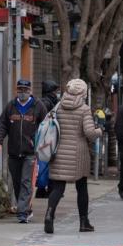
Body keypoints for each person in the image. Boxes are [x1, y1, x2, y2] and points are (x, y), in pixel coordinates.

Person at [44, 79, 103, 234]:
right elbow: (90, 133)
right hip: (78, 155)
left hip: (58, 152)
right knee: (81, 187)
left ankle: (49, 214)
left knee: (58, 187)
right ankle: (84, 222)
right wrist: (100, 131)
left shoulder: (58, 107)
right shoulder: (84, 109)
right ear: (83, 93)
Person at [0, 79, 47, 223]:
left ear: (30, 91)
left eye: (25, 90)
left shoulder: (38, 106)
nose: (22, 92)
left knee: (26, 182)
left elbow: (46, 125)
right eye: (20, 90)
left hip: (30, 152)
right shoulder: (11, 106)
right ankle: (26, 208)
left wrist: (42, 144)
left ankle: (22, 212)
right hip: (13, 152)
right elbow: (2, 125)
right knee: (17, 182)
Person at [36, 80, 61, 198]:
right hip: (47, 138)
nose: (57, 93)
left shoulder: (46, 101)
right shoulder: (47, 103)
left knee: (46, 163)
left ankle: (45, 189)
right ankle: (44, 189)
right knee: (46, 164)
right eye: (55, 91)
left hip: (46, 137)